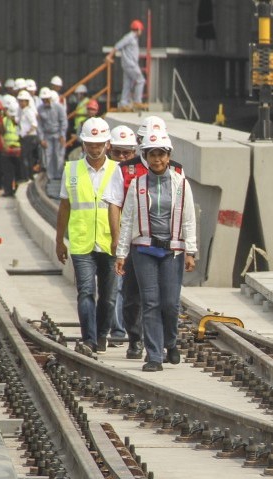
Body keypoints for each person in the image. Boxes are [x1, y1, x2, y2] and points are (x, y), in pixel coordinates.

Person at [114, 131, 197, 372]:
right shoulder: (138, 184)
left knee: (170, 304)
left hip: (172, 251)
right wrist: (121, 254)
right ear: (146, 156)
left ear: (168, 156)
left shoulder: (181, 184)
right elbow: (127, 219)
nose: (157, 159)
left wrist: (190, 250)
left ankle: (170, 342)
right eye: (152, 154)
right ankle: (153, 355)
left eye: (161, 154)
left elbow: (189, 219)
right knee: (149, 302)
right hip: (143, 249)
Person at [103, 116, 182, 360]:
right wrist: (119, 241)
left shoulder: (177, 171)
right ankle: (136, 338)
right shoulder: (126, 170)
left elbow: (185, 210)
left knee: (164, 300)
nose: (157, 157)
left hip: (167, 246)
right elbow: (116, 206)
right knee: (133, 297)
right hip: (137, 243)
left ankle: (160, 345)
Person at [56, 117, 119, 357]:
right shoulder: (71, 170)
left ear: (107, 144)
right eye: (90, 144)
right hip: (81, 243)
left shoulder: (117, 171)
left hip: (109, 243)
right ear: (83, 144)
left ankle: (102, 334)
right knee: (85, 292)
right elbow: (65, 207)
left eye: (99, 144)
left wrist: (120, 240)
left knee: (109, 298)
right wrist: (59, 240)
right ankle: (89, 339)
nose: (94, 148)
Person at [105, 125, 138, 345]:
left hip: (135, 238)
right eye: (118, 152)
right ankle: (118, 330)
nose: (122, 157)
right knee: (115, 286)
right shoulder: (106, 171)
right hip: (109, 238)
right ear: (110, 150)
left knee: (133, 287)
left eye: (127, 152)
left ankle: (132, 329)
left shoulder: (137, 172)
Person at [105, 19, 146, 109]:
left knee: (128, 83)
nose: (141, 32)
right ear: (138, 29)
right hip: (131, 64)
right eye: (141, 30)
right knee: (141, 80)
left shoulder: (133, 38)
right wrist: (110, 56)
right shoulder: (130, 37)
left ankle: (124, 102)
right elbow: (118, 45)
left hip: (128, 64)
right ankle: (137, 101)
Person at [37, 87, 67, 182]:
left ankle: (58, 175)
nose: (45, 101)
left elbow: (63, 121)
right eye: (43, 99)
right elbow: (40, 125)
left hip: (58, 134)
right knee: (48, 155)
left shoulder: (59, 108)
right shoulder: (40, 109)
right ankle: (50, 176)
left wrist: (62, 135)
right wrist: (41, 139)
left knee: (58, 155)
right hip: (47, 135)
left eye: (47, 99)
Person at [16, 90, 39, 183]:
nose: (21, 103)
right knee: (27, 157)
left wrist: (26, 133)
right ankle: (29, 176)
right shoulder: (22, 111)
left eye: (23, 101)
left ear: (27, 102)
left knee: (25, 157)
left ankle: (27, 176)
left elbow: (34, 124)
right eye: (20, 101)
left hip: (29, 137)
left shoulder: (29, 111)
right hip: (25, 137)